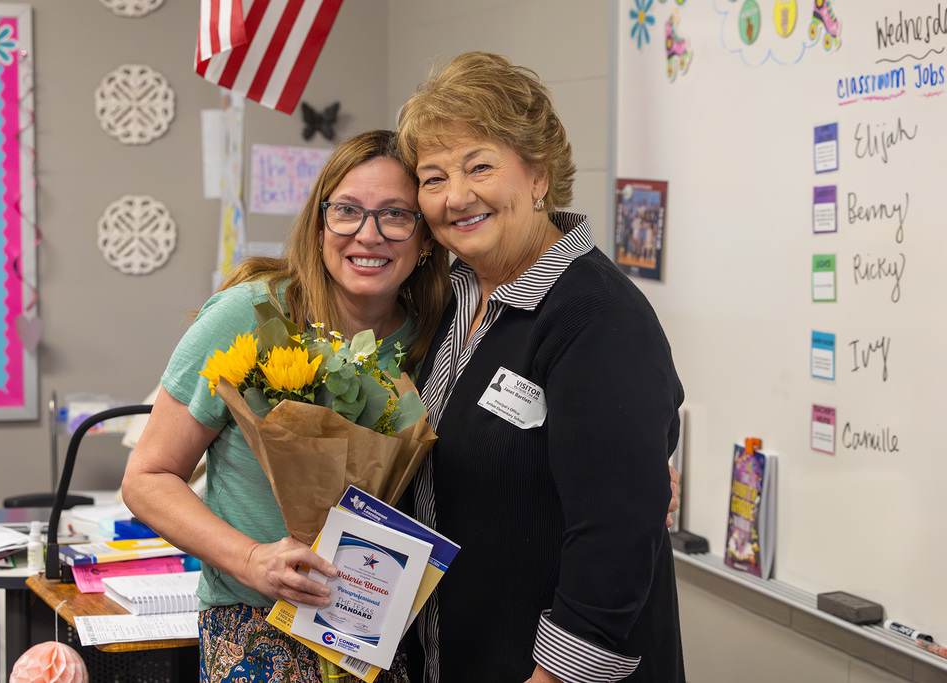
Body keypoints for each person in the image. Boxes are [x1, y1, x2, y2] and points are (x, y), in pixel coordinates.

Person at [121, 129, 451, 682]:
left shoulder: (437, 342)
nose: (368, 236)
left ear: (424, 240)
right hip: (254, 627)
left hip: (384, 636)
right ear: (319, 225)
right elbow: (148, 478)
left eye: (396, 215)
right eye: (347, 211)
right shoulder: (248, 317)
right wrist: (252, 560)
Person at [396, 52, 686, 682]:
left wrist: (554, 676)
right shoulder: (456, 298)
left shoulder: (597, 315)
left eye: (480, 167)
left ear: (538, 176)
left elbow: (616, 529)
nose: (456, 196)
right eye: (434, 177)